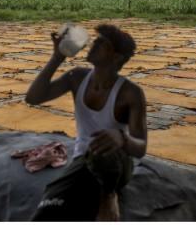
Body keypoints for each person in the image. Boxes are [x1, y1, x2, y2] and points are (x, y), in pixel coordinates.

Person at [27, 24, 147, 221]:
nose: (93, 44)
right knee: (49, 207)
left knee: (102, 149)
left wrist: (122, 138)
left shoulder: (130, 93)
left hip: (117, 163)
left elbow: (140, 148)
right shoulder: (77, 77)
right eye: (95, 40)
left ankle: (108, 195)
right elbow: (33, 98)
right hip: (83, 160)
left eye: (102, 43)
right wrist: (57, 57)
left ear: (116, 57)